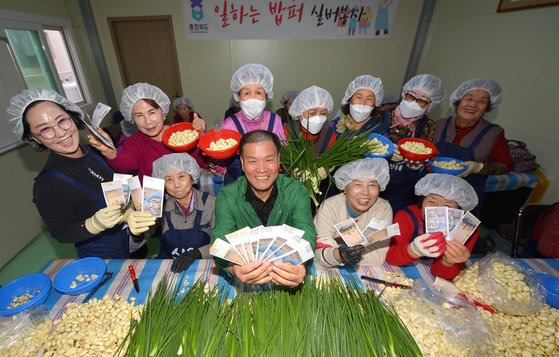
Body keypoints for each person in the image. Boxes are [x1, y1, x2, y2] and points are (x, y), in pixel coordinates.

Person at [7, 89, 131, 258]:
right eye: (45, 130)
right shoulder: (48, 184)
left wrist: (131, 210)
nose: (60, 132)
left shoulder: (95, 151)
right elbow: (61, 233)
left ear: (72, 117)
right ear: (35, 138)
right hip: (103, 253)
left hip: (132, 236)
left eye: (62, 121)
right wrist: (92, 224)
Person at [211, 130, 316, 288]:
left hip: (286, 279)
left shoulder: (296, 191)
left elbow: (306, 230)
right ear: (242, 163)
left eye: (269, 160)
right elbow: (220, 239)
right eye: (252, 161)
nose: (262, 169)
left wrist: (301, 264)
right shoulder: (228, 195)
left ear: (278, 160)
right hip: (246, 284)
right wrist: (233, 268)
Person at [88, 82, 205, 179]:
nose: (148, 121)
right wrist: (110, 152)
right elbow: (128, 164)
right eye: (139, 115)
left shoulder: (181, 134)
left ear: (163, 112)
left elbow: (203, 162)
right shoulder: (135, 142)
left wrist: (201, 138)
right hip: (154, 201)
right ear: (132, 119)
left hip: (186, 198)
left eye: (152, 112)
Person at [435, 77, 513, 214]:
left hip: (465, 200)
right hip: (431, 194)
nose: (473, 105)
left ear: (487, 108)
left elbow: (506, 166)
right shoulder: (438, 125)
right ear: (458, 101)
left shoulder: (494, 133)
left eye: (481, 102)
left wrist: (479, 167)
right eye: (469, 99)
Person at [127, 153, 215, 272]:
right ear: (162, 183)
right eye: (169, 179)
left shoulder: (211, 203)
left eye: (181, 176)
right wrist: (137, 232)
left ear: (192, 178)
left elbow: (223, 243)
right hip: (169, 267)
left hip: (203, 266)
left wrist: (198, 253)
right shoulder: (158, 206)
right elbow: (134, 246)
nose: (176, 184)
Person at [386, 173, 479, 280]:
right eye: (432, 201)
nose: (437, 210)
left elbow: (441, 274)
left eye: (447, 205)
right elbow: (391, 257)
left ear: (458, 210)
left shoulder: (466, 230)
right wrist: (413, 250)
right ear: (422, 201)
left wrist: (448, 262)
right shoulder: (406, 217)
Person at [381, 74, 445, 213]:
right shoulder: (381, 115)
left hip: (401, 190)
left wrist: (417, 163)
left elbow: (427, 153)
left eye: (422, 101)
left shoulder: (428, 125)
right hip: (372, 180)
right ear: (404, 94)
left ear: (429, 105)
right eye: (411, 96)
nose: (413, 103)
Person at [314, 158, 392, 267]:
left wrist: (351, 256)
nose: (365, 192)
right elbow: (318, 253)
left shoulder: (383, 209)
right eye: (358, 185)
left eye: (372, 185)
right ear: (345, 188)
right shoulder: (330, 207)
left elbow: (378, 255)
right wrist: (340, 254)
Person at [320, 74, 389, 154]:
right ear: (350, 99)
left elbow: (382, 153)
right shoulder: (335, 126)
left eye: (369, 99)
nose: (363, 103)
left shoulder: (379, 130)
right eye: (359, 97)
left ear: (375, 103)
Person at [222, 63, 286, 140]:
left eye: (258, 93)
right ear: (238, 97)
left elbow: (283, 150)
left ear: (266, 96)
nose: (252, 98)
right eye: (247, 93)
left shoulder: (275, 120)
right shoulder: (229, 125)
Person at [284, 85, 334, 154]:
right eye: (312, 113)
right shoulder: (288, 131)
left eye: (323, 113)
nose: (318, 118)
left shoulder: (329, 134)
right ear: (300, 113)